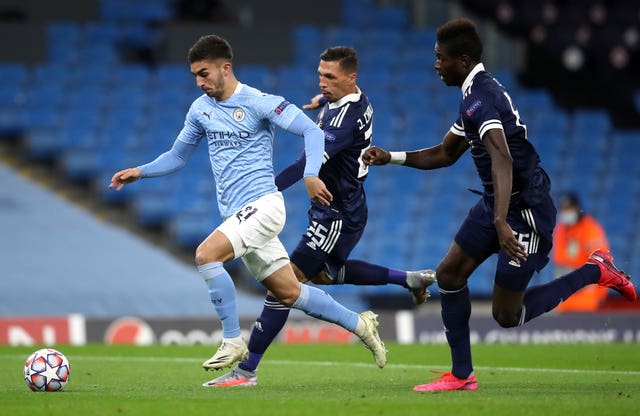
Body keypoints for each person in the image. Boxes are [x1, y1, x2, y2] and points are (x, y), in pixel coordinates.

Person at [363, 18, 636, 392]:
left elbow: (502, 159)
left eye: (440, 58)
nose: (436, 65)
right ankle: (462, 375)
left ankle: (595, 270)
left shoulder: (482, 98)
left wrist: (502, 222)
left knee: (507, 315)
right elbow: (445, 153)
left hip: (525, 212)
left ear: (462, 59)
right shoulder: (470, 97)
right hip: (499, 205)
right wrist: (389, 156)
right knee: (449, 275)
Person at [108, 35, 387, 381]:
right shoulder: (200, 109)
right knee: (288, 292)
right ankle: (359, 324)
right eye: (195, 75)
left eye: (204, 73)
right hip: (237, 214)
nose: (199, 82)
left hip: (265, 205)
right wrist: (141, 171)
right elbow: (178, 156)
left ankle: (231, 341)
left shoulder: (260, 102)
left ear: (226, 67)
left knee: (206, 255)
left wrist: (311, 175)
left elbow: (311, 134)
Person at [203, 46, 436, 387]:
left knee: (284, 287)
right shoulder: (353, 99)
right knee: (327, 275)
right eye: (320, 76)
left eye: (330, 77)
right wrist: (321, 101)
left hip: (336, 213)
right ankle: (408, 279)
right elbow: (339, 108)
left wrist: (267, 192)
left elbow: (304, 164)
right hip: (345, 206)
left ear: (351, 78)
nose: (323, 82)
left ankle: (247, 370)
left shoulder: (344, 121)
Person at [553, 192, 610, 311]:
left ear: (577, 208)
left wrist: (600, 295)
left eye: (569, 209)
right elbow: (560, 263)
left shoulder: (590, 229)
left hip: (587, 292)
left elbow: (602, 265)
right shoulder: (561, 229)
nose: (566, 212)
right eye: (563, 209)